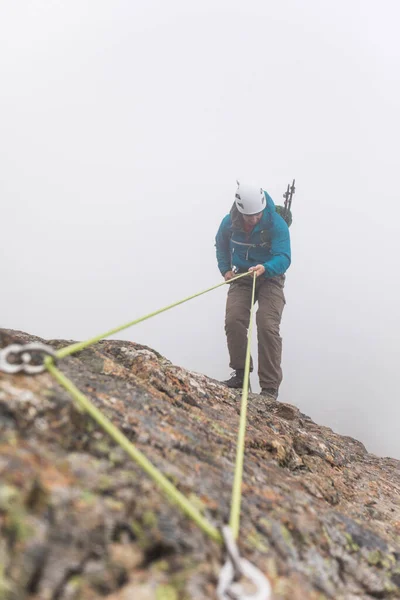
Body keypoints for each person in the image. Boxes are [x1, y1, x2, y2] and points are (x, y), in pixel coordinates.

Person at [215, 181, 291, 399]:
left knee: (267, 324)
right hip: (243, 275)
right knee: (234, 320)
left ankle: (269, 388)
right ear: (240, 211)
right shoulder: (228, 223)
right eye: (250, 216)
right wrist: (225, 269)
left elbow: (284, 257)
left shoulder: (276, 224)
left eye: (258, 214)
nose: (255, 219)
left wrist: (265, 268)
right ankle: (241, 375)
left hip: (271, 276)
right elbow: (220, 244)